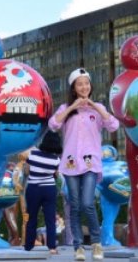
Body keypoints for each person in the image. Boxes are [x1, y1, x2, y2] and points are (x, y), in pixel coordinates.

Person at [49, 68, 119, 261]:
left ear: (90, 86)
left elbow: (113, 125)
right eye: (79, 84)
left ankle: (96, 244)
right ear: (74, 88)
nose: (84, 87)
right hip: (71, 164)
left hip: (90, 163)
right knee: (75, 205)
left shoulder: (97, 109)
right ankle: (78, 246)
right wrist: (72, 107)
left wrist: (95, 106)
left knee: (87, 203)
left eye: (86, 83)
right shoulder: (65, 108)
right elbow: (53, 124)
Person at [24, 130, 62, 254]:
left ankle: (28, 246)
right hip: (49, 189)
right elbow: (56, 175)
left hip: (33, 189)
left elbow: (27, 171)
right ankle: (52, 247)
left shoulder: (33, 154)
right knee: (50, 219)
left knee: (32, 217)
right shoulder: (56, 160)